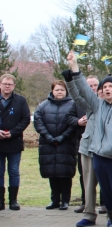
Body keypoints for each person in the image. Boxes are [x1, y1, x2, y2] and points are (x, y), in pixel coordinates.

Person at [65, 52, 112, 227]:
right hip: (98, 156)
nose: (107, 89)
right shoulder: (97, 105)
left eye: (111, 86)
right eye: (105, 86)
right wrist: (74, 67)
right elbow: (83, 89)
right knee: (106, 190)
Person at [33, 80, 78, 210]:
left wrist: (63, 137)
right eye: (57, 89)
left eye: (62, 90)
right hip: (49, 144)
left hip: (66, 144)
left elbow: (73, 124)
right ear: (52, 91)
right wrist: (48, 137)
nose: (59, 92)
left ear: (66, 91)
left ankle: (65, 200)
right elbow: (38, 121)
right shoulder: (43, 106)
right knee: (52, 173)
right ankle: (55, 200)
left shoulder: (73, 105)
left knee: (65, 174)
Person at [0, 74, 30, 211]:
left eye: (10, 84)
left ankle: (13, 200)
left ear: (14, 86)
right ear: (0, 84)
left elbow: (25, 119)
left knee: (13, 171)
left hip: (14, 141)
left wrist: (12, 132)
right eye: (5, 83)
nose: (7, 86)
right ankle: (0, 201)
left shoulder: (20, 100)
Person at [68, 76, 93, 214]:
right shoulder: (77, 103)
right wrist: (78, 122)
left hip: (100, 146)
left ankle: (104, 204)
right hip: (82, 144)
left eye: (95, 85)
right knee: (84, 176)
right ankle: (86, 202)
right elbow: (68, 117)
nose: (93, 88)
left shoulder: (101, 103)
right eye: (90, 85)